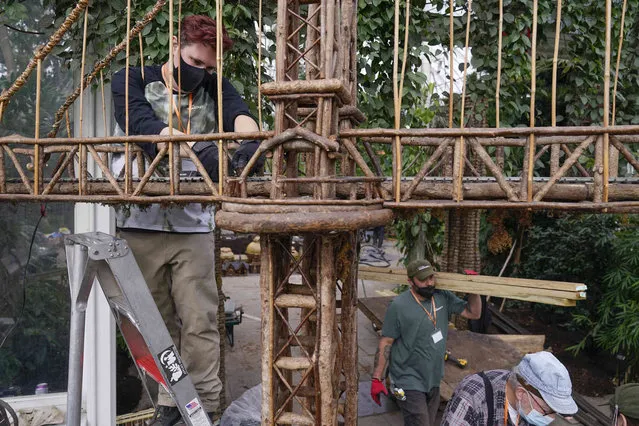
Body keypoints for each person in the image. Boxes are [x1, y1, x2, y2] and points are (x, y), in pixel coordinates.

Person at [110, 15, 261, 425]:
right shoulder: (132, 78)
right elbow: (142, 126)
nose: (202, 73)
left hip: (193, 226)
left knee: (200, 319)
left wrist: (248, 142)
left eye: (210, 68)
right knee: (153, 324)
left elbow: (240, 115)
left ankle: (204, 406)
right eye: (196, 62)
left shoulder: (214, 86)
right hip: (140, 223)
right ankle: (168, 401)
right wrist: (197, 149)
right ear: (176, 45)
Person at [370, 259, 482, 426]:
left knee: (427, 422)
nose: (429, 283)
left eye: (431, 277)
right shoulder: (399, 306)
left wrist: (473, 288)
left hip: (433, 378)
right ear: (410, 281)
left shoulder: (442, 296)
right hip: (407, 379)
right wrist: (377, 378)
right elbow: (386, 342)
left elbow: (474, 313)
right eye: (423, 280)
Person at [441, 351, 579, 426]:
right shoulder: (472, 397)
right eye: (547, 411)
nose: (551, 418)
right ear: (521, 393)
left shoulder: (526, 405)